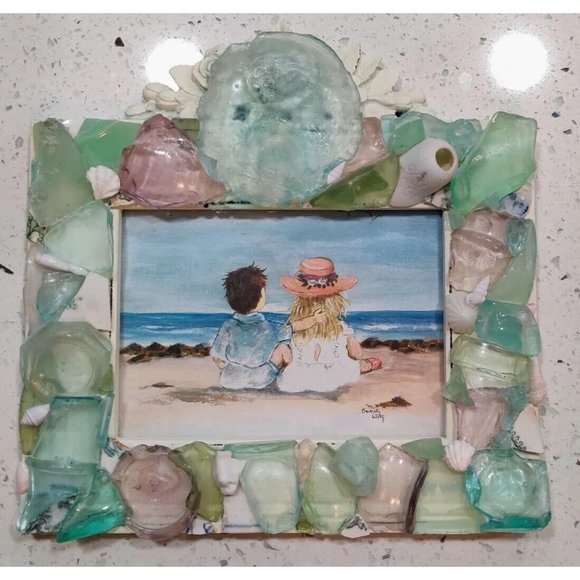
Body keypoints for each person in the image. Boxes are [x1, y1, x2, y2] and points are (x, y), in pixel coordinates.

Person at [277, 257, 382, 393]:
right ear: (335, 301)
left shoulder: (295, 325)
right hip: (333, 375)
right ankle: (368, 365)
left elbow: (288, 336)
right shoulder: (340, 327)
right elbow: (356, 354)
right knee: (356, 364)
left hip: (298, 376)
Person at [211, 264, 291, 389]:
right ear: (261, 297)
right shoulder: (271, 327)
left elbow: (217, 357)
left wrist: (232, 368)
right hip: (262, 378)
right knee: (283, 347)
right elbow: (289, 334)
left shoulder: (227, 326)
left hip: (230, 379)